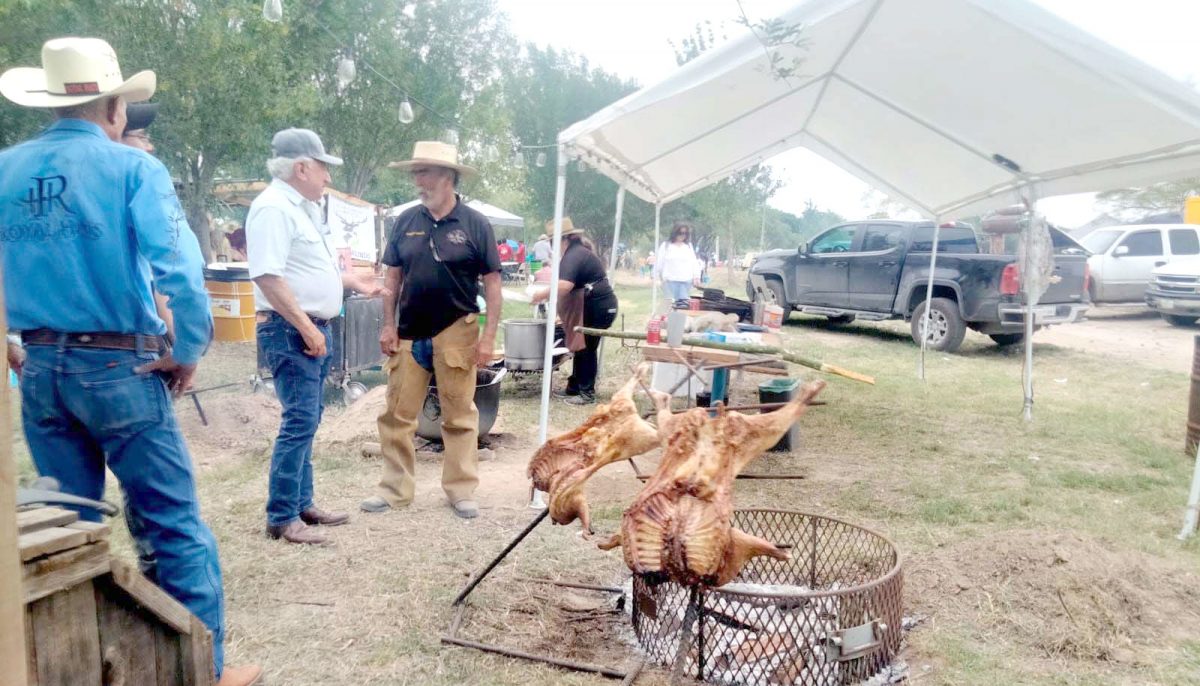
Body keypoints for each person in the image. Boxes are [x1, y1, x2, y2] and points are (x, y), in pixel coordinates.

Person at [0, 37, 259, 685]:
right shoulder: (132, 170)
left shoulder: (6, 170)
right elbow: (179, 270)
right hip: (119, 370)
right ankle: (201, 671)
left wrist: (11, 339)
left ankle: (74, 668)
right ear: (114, 108)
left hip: (38, 370)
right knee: (172, 525)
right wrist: (186, 348)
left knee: (68, 530)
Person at [246, 128, 381, 546]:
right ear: (302, 166)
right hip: (292, 330)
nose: (327, 176)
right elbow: (268, 276)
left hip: (307, 328)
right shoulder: (272, 209)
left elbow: (309, 269)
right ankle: (282, 515)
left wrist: (354, 282)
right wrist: (306, 327)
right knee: (299, 420)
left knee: (308, 419)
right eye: (323, 167)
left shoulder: (300, 208)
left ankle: (301, 503)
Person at [361, 141, 502, 519]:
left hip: (458, 330)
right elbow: (392, 276)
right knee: (396, 416)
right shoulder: (405, 221)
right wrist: (388, 325)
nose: (417, 180)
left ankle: (461, 491)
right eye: (415, 173)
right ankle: (394, 491)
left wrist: (488, 338)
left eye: (424, 172)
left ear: (448, 177)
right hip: (408, 332)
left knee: (458, 414)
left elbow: (492, 283)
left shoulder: (475, 224)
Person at [532, 218, 618, 405]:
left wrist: (541, 294)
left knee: (586, 348)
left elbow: (564, 286)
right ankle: (574, 387)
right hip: (594, 305)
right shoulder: (575, 253)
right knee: (581, 346)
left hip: (598, 307)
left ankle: (587, 393)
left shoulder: (575, 255)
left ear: (562, 240)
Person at [653, 220, 701, 305]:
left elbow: (694, 263)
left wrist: (696, 276)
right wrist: (656, 278)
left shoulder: (688, 246)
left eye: (685, 233)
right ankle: (671, 318)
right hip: (670, 282)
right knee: (670, 306)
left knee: (682, 307)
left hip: (685, 281)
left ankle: (679, 318)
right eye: (680, 233)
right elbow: (659, 263)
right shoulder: (666, 246)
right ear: (675, 232)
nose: (683, 236)